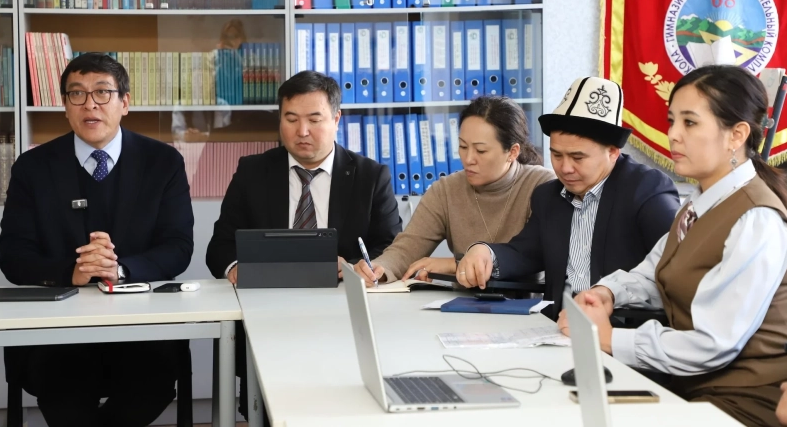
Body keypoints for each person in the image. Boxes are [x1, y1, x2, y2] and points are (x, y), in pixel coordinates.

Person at [560, 65, 787, 426]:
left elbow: (714, 343)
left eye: (689, 123)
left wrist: (608, 339)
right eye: (672, 121)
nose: (672, 134)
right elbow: (656, 272)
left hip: (745, 402)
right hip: (691, 388)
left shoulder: (757, 219)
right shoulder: (698, 205)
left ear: (736, 135)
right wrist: (608, 293)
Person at [0, 53, 195, 427]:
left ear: (125, 102)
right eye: (77, 94)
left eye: (102, 92)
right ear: (65, 106)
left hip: (142, 327)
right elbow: (13, 255)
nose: (90, 104)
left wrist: (119, 270)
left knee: (149, 385)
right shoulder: (33, 167)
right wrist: (71, 272)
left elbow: (177, 246)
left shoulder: (163, 162)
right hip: (59, 332)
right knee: (64, 393)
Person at [206, 69, 401, 421]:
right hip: (268, 317)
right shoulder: (253, 171)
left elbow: (389, 248)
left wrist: (359, 268)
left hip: (342, 320)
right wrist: (236, 268)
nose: (302, 131)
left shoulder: (371, 177)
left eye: (314, 119)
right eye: (291, 119)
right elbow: (220, 245)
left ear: (336, 118)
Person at [457, 77, 679, 319]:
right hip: (557, 326)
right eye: (556, 155)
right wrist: (485, 252)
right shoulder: (548, 196)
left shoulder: (646, 190)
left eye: (577, 157)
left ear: (613, 152)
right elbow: (524, 253)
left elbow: (679, 268)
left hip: (622, 329)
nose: (565, 168)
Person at [354, 96, 555, 286]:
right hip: (461, 304)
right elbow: (407, 248)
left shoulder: (541, 185)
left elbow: (535, 257)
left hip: (523, 306)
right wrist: (378, 269)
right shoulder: (446, 190)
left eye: (481, 150)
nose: (468, 159)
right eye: (463, 147)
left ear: (512, 152)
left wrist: (455, 265)